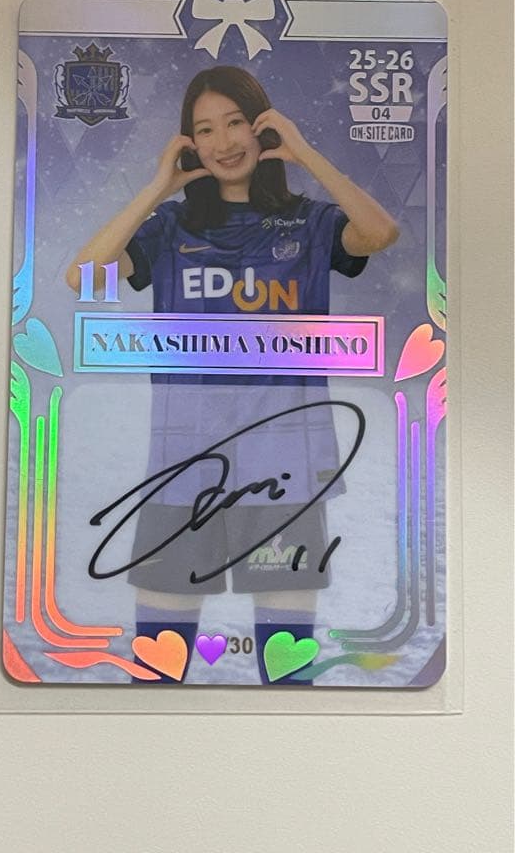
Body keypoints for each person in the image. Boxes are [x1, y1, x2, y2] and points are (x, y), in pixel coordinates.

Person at [67, 66, 399, 684]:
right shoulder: (171, 229)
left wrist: (305, 153)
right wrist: (156, 188)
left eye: (236, 123)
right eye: (204, 130)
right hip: (182, 473)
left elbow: (380, 232)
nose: (223, 142)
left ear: (262, 127)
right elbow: (81, 276)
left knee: (286, 673)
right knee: (157, 671)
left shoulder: (308, 223)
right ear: (189, 143)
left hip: (285, 474)